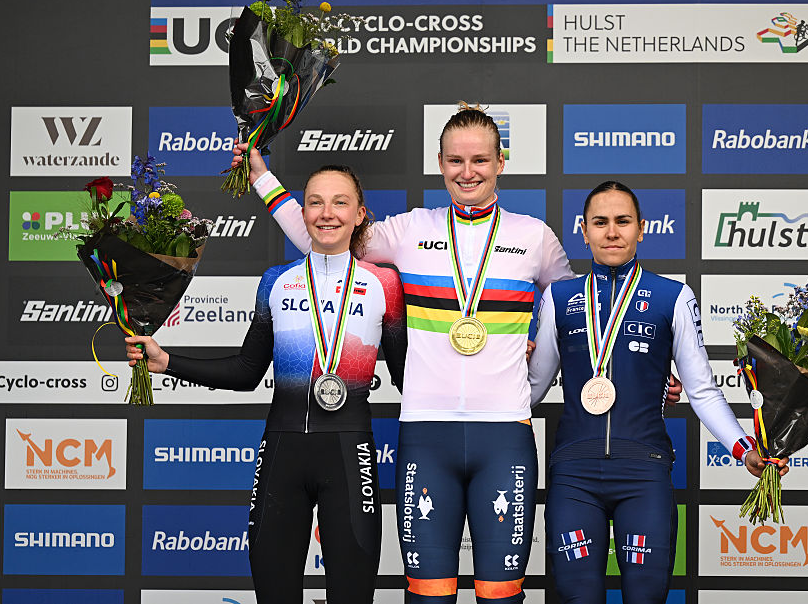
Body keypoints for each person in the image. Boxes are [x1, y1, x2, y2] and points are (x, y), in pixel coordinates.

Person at [233, 103, 574, 603]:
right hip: (425, 431)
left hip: (504, 433)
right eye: (456, 161)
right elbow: (324, 234)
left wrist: (538, 368)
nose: (468, 172)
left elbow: (576, 314)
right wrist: (263, 179)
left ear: (500, 161)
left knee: (501, 594)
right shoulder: (411, 229)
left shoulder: (533, 237)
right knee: (428, 595)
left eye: (480, 160)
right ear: (440, 164)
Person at [124, 165, 407, 604]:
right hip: (282, 453)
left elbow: (410, 377)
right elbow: (245, 371)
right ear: (305, 212)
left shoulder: (383, 284)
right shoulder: (276, 281)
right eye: (315, 202)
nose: (326, 213)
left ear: (359, 215)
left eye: (340, 202)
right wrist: (167, 361)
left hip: (351, 458)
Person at [527, 181, 787, 604]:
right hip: (574, 474)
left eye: (622, 221)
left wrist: (744, 449)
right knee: (578, 597)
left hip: (643, 472)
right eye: (601, 222)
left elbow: (701, 390)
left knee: (646, 597)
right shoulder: (560, 297)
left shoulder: (673, 296)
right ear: (584, 230)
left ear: (641, 228)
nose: (612, 232)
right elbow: (534, 388)